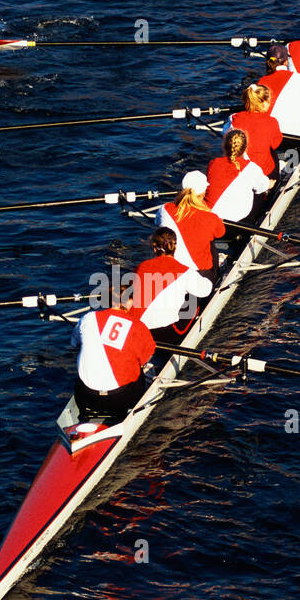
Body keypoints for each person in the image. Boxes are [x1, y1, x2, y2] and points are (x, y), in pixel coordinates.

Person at [72, 289, 155, 424]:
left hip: (88, 396)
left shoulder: (88, 318)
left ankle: (87, 414)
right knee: (145, 369)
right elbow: (147, 357)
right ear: (130, 301)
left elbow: (74, 343)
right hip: (121, 398)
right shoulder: (137, 325)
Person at [132, 228, 212, 346]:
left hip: (137, 332)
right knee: (194, 298)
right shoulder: (185, 271)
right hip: (166, 335)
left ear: (154, 248)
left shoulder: (141, 267)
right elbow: (206, 290)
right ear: (175, 247)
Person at [157, 171, 225, 282]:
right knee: (211, 241)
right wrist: (217, 221)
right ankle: (217, 271)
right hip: (201, 275)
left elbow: (157, 222)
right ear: (203, 193)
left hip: (170, 272)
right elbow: (221, 232)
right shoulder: (210, 217)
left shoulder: (165, 209)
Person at [257, 44, 300, 137]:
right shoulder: (296, 77)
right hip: (294, 137)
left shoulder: (261, 82)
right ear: (286, 62)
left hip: (269, 136)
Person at [205, 129, 272, 223]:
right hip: (238, 220)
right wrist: (269, 184)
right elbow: (261, 188)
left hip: (211, 216)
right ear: (245, 148)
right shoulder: (252, 168)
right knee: (261, 193)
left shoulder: (213, 163)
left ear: (224, 146)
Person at [226, 83, 283, 179]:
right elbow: (276, 144)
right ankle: (274, 182)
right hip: (263, 171)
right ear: (264, 103)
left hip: (239, 168)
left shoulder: (235, 118)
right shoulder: (271, 121)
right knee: (274, 154)